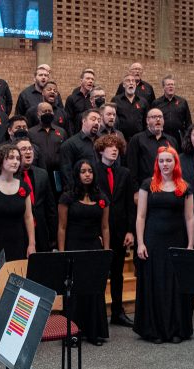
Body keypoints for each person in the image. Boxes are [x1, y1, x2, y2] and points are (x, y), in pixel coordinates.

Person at [134, 146, 194, 344]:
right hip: (153, 242)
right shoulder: (148, 184)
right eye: (162, 161)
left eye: (169, 161)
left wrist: (191, 245)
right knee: (156, 284)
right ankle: (155, 330)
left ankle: (177, 329)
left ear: (175, 163)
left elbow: (189, 218)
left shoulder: (184, 186)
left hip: (177, 241)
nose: (165, 164)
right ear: (157, 163)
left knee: (175, 285)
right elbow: (141, 216)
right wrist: (140, 243)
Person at [0, 144, 36, 340]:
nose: (15, 161)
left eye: (17, 158)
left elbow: (28, 217)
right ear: (1, 160)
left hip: (17, 244)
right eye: (11, 157)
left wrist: (32, 244)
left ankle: (14, 337)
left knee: (16, 289)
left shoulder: (24, 186)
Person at [58, 159, 110, 345]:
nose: (87, 174)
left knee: (94, 290)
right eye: (83, 171)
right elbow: (62, 227)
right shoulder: (67, 197)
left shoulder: (101, 197)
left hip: (94, 248)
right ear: (76, 174)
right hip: (74, 247)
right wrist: (62, 254)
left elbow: (105, 228)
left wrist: (106, 252)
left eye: (90, 171)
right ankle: (72, 333)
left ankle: (94, 332)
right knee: (76, 292)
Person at [94, 134, 135, 326]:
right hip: (99, 232)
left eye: (117, 147)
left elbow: (129, 205)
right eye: (110, 147)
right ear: (101, 150)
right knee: (100, 274)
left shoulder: (124, 173)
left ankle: (118, 312)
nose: (114, 150)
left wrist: (130, 231)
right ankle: (99, 313)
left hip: (119, 231)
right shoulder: (92, 171)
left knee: (117, 274)